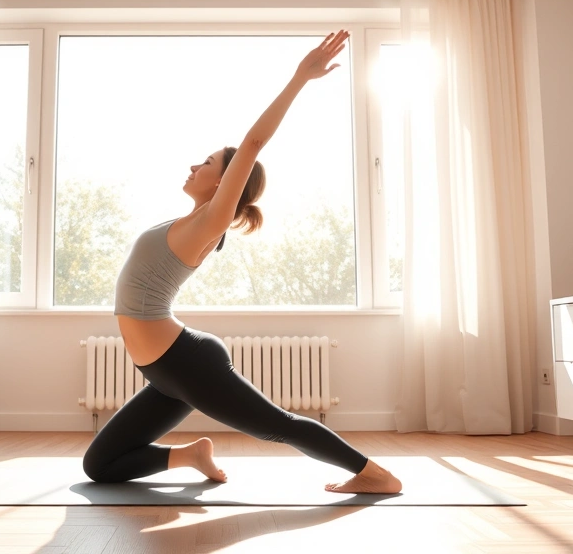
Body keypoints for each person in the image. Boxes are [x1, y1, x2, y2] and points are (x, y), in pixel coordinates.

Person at [82, 30, 402, 494]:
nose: (195, 166)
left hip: (187, 362)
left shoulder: (211, 222)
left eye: (207, 162)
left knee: (278, 425)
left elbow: (252, 144)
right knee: (100, 463)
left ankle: (374, 475)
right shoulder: (183, 221)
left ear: (225, 182)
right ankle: (191, 455)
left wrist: (299, 78)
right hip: (163, 371)